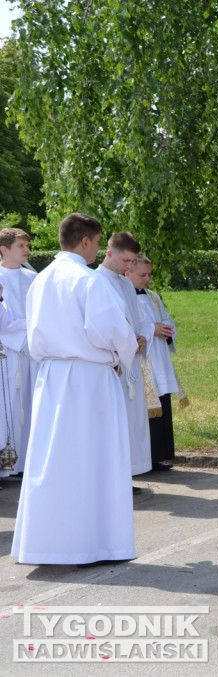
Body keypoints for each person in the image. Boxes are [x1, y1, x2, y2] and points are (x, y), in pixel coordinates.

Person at [10, 213, 139, 566]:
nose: (98, 249)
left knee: (54, 459)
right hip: (89, 379)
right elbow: (110, 330)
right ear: (86, 241)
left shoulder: (41, 279)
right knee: (91, 458)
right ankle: (94, 544)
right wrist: (126, 348)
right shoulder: (87, 280)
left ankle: (48, 544)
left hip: (50, 377)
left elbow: (32, 333)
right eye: (98, 242)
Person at [97, 232, 154, 482]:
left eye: (133, 262)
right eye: (126, 261)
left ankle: (129, 473)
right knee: (114, 423)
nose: (129, 267)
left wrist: (142, 337)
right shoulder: (95, 281)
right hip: (112, 365)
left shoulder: (124, 283)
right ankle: (113, 478)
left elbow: (140, 320)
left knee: (134, 421)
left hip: (131, 362)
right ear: (110, 254)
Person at [126, 255, 182, 471]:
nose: (147, 279)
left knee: (162, 406)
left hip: (159, 359)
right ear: (127, 272)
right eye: (143, 275)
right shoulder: (124, 297)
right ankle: (142, 460)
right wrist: (152, 329)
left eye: (149, 274)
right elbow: (128, 326)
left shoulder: (153, 296)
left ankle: (159, 455)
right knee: (143, 410)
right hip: (141, 361)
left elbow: (166, 318)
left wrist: (167, 328)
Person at [0, 227, 38, 476]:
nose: (27, 250)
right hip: (7, 354)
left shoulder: (34, 278)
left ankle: (25, 462)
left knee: (30, 405)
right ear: (4, 250)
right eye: (21, 246)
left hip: (32, 354)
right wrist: (30, 327)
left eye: (27, 246)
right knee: (7, 408)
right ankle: (4, 463)